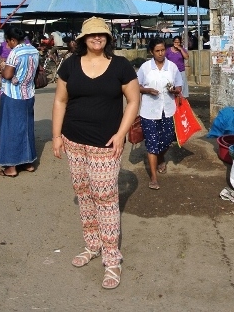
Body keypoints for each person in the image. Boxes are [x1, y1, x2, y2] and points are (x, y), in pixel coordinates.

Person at [52, 16, 140, 290]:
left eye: (102, 35)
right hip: (74, 140)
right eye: (92, 35)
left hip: (106, 143)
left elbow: (134, 100)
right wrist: (56, 136)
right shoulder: (69, 65)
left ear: (108, 39)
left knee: (105, 198)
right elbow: (59, 100)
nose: (97, 38)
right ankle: (92, 245)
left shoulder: (121, 66)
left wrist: (121, 133)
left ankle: (112, 257)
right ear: (82, 40)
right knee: (84, 194)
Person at [137, 37, 183, 190]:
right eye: (157, 51)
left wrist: (175, 91)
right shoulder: (145, 68)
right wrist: (147, 90)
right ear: (151, 52)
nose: (161, 53)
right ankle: (154, 178)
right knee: (151, 143)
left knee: (168, 139)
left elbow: (179, 86)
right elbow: (136, 86)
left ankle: (161, 156)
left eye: (163, 50)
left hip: (167, 110)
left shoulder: (172, 67)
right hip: (149, 111)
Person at [0, 25, 39, 177]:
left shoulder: (15, 53)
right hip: (29, 94)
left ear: (13, 40)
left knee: (10, 129)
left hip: (13, 95)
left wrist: (0, 68)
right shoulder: (33, 50)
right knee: (26, 128)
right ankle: (28, 162)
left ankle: (11, 167)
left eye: (8, 41)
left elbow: (7, 75)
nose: (7, 45)